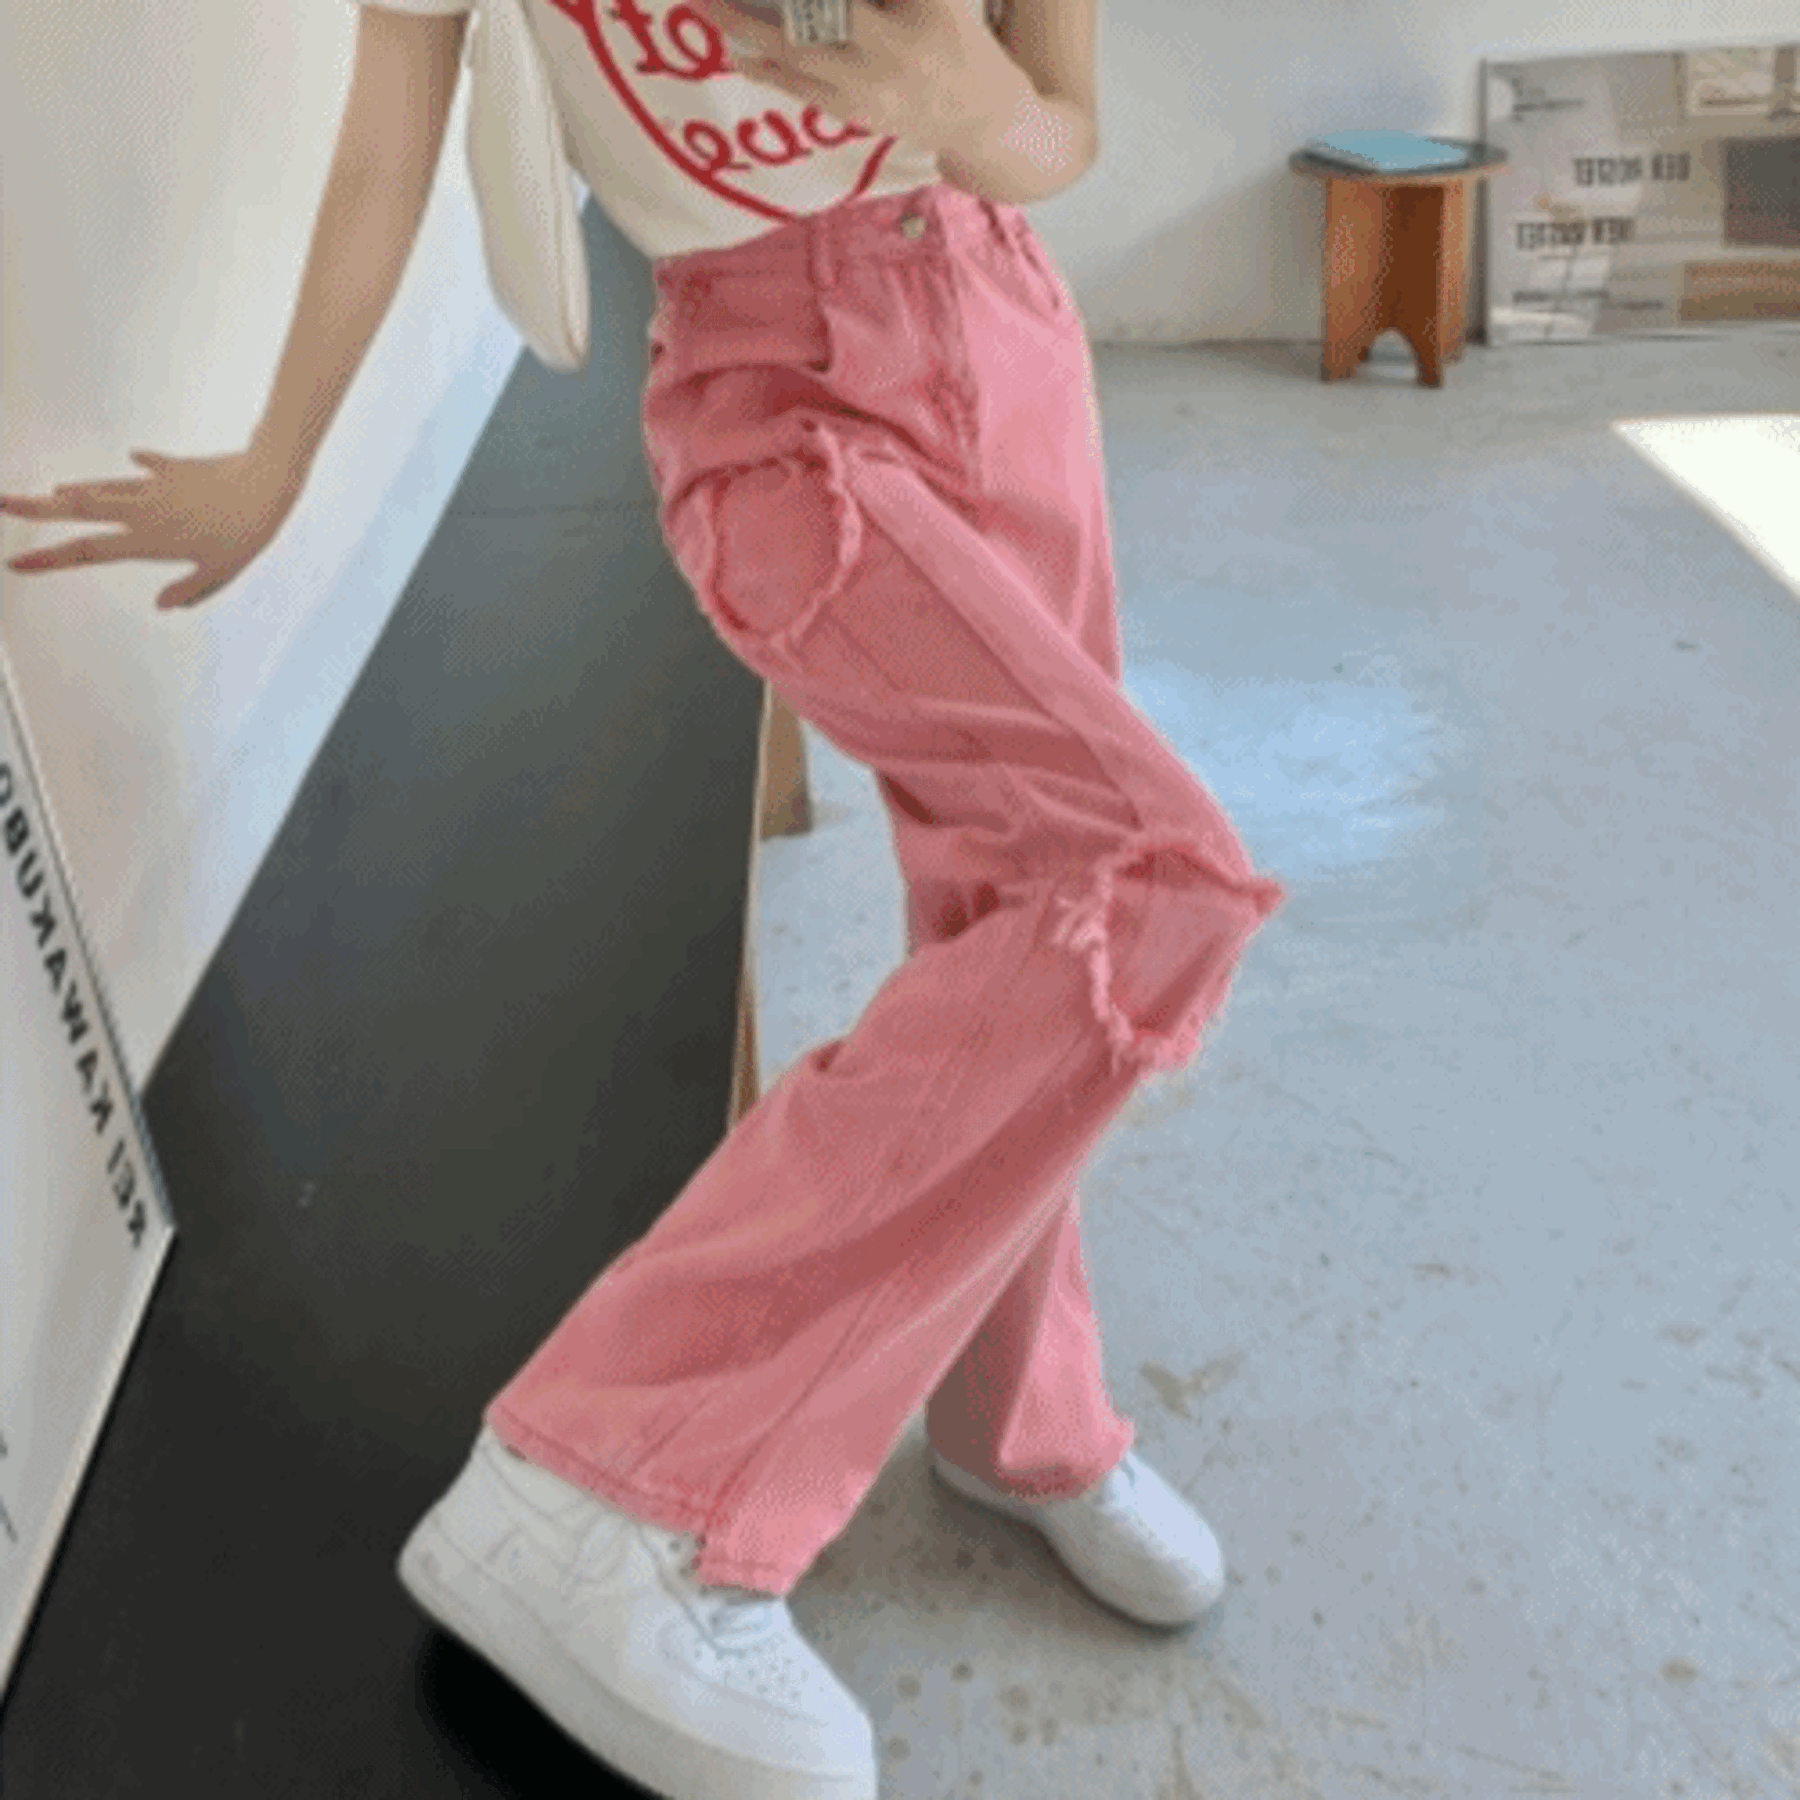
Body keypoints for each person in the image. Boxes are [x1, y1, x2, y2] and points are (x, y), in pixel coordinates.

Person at [1, 1, 1287, 1794]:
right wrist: (277, 461)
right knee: (1150, 880)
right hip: (774, 398)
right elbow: (385, 141)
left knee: (1026, 911)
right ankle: (605, 1474)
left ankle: (1018, 1417)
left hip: (999, 323)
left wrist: (977, 106)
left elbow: (1059, 135)